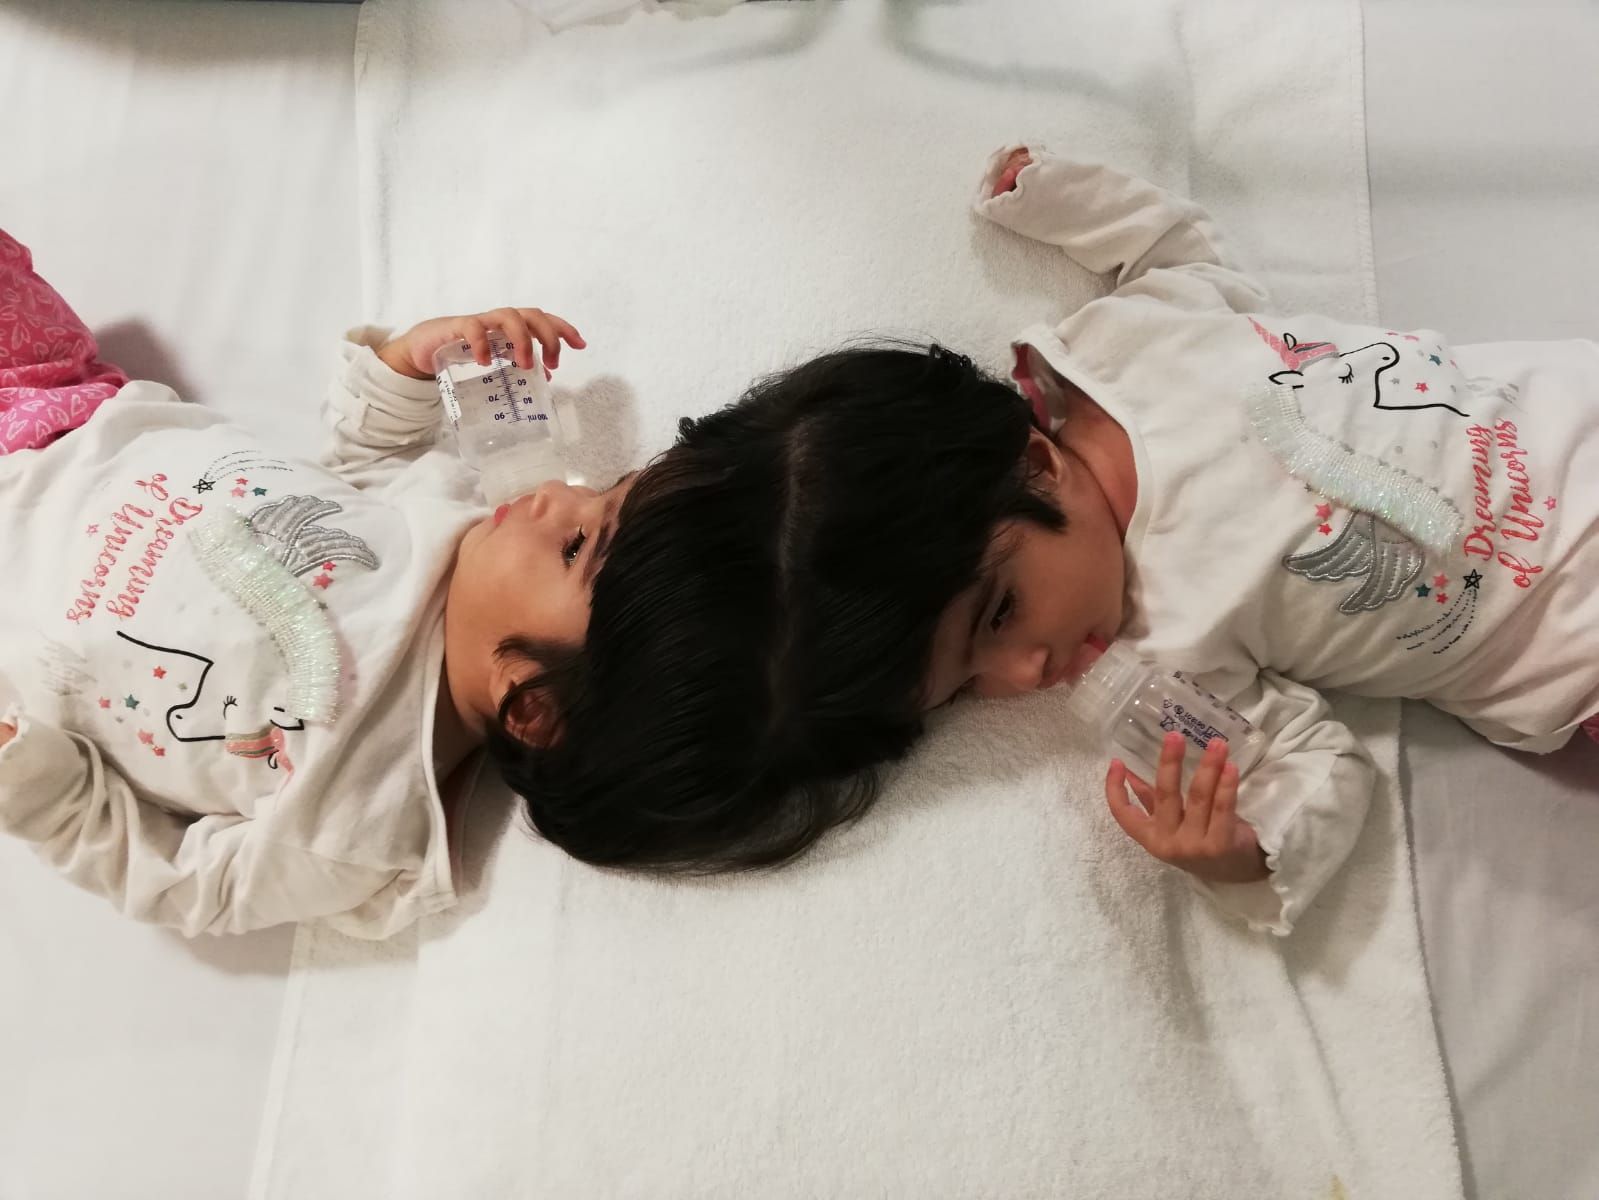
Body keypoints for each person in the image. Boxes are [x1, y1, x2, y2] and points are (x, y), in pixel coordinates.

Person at [637, 145, 1599, 935]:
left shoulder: (1120, 347)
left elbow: (1182, 254)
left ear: (1033, 463)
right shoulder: (1166, 653)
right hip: (1565, 642)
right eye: (971, 683)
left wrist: (1053, 197)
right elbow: (1313, 766)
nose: (1025, 675)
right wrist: (1240, 849)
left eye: (999, 613)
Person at [0, 228, 647, 936]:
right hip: (55, 404)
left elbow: (182, 885)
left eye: (579, 544)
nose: (563, 495)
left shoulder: (360, 824)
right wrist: (407, 367)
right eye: (605, 490)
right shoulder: (448, 523)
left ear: (532, 706)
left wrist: (37, 782)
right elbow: (362, 455)